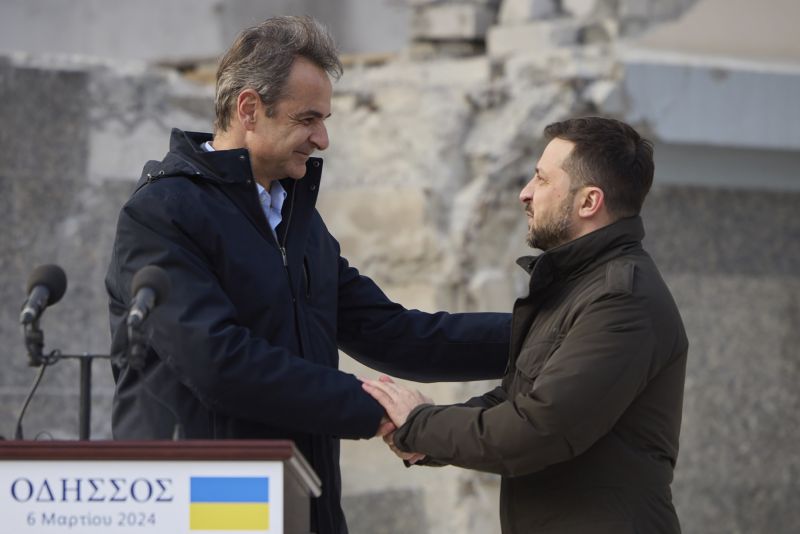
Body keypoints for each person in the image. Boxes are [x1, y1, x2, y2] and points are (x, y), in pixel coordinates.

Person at [104, 16, 510, 534]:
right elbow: (218, 362)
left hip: (302, 505)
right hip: (203, 507)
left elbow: (394, 332)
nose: (322, 139)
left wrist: (540, 330)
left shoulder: (298, 222)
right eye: (308, 119)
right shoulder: (163, 212)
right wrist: (374, 408)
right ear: (249, 108)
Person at [364, 117, 689, 534]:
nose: (526, 193)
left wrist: (420, 425)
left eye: (541, 179)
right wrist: (420, 433)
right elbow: (513, 399)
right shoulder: (578, 287)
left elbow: (538, 428)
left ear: (588, 202)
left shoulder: (622, 299)